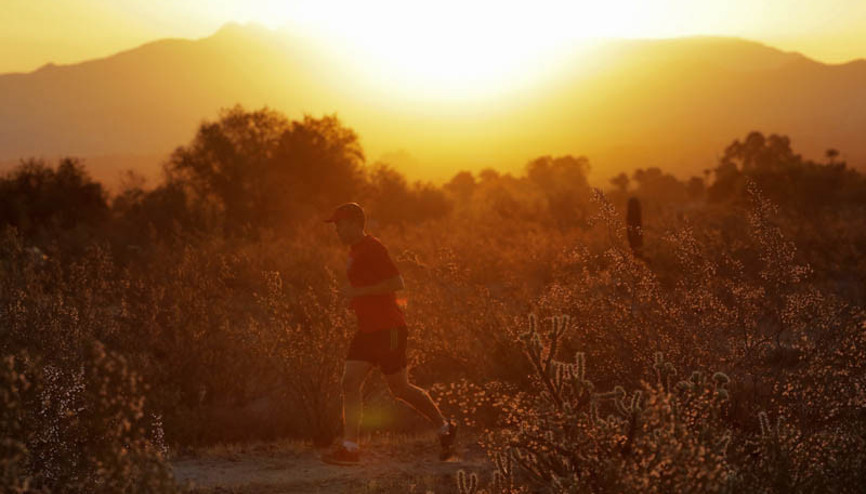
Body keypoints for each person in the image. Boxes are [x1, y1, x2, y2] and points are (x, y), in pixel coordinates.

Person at [321, 202, 457, 466]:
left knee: (400, 388)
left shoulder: (373, 247)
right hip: (367, 330)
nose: (336, 229)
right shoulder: (354, 250)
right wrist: (356, 301)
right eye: (335, 225)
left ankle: (444, 427)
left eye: (339, 224)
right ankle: (350, 449)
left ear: (354, 223)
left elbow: (398, 283)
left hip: (390, 330)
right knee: (349, 383)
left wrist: (358, 293)